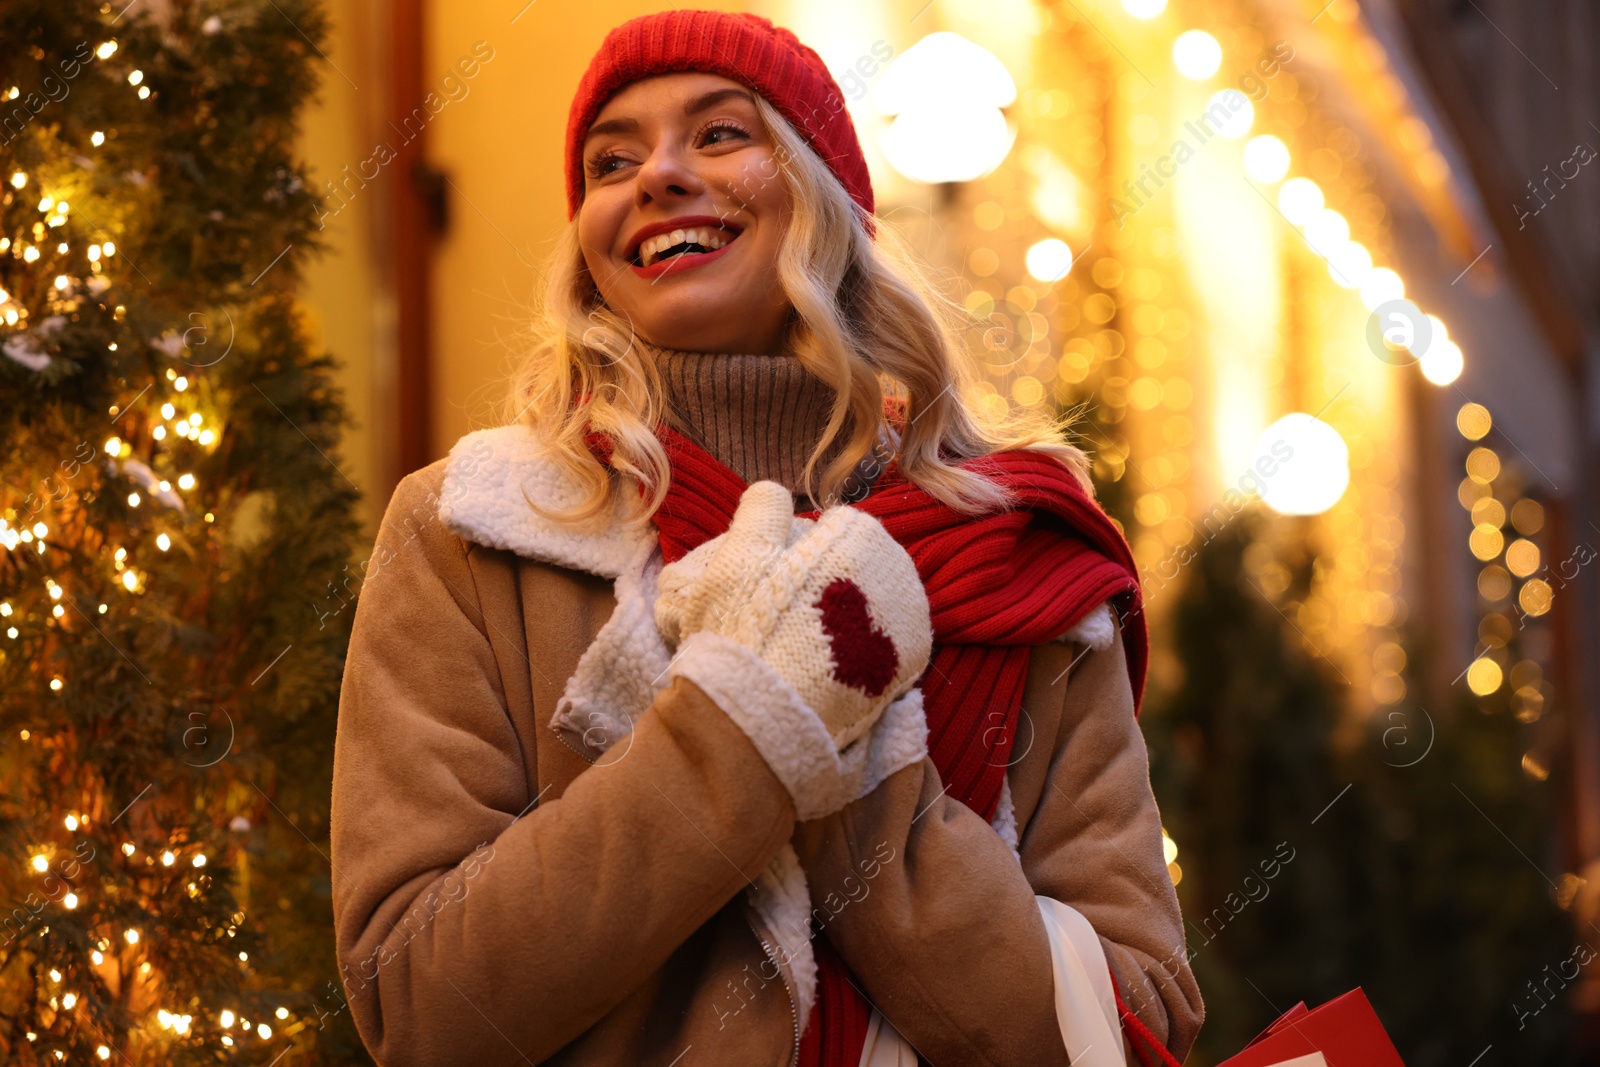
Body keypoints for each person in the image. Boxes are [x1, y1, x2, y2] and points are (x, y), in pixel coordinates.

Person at [329, 10, 1203, 1066]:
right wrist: (743, 725)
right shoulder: (473, 532)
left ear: (825, 198)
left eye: (719, 133)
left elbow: (1138, 1016)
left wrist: (848, 752)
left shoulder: (1022, 563)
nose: (655, 174)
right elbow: (421, 1006)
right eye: (612, 160)